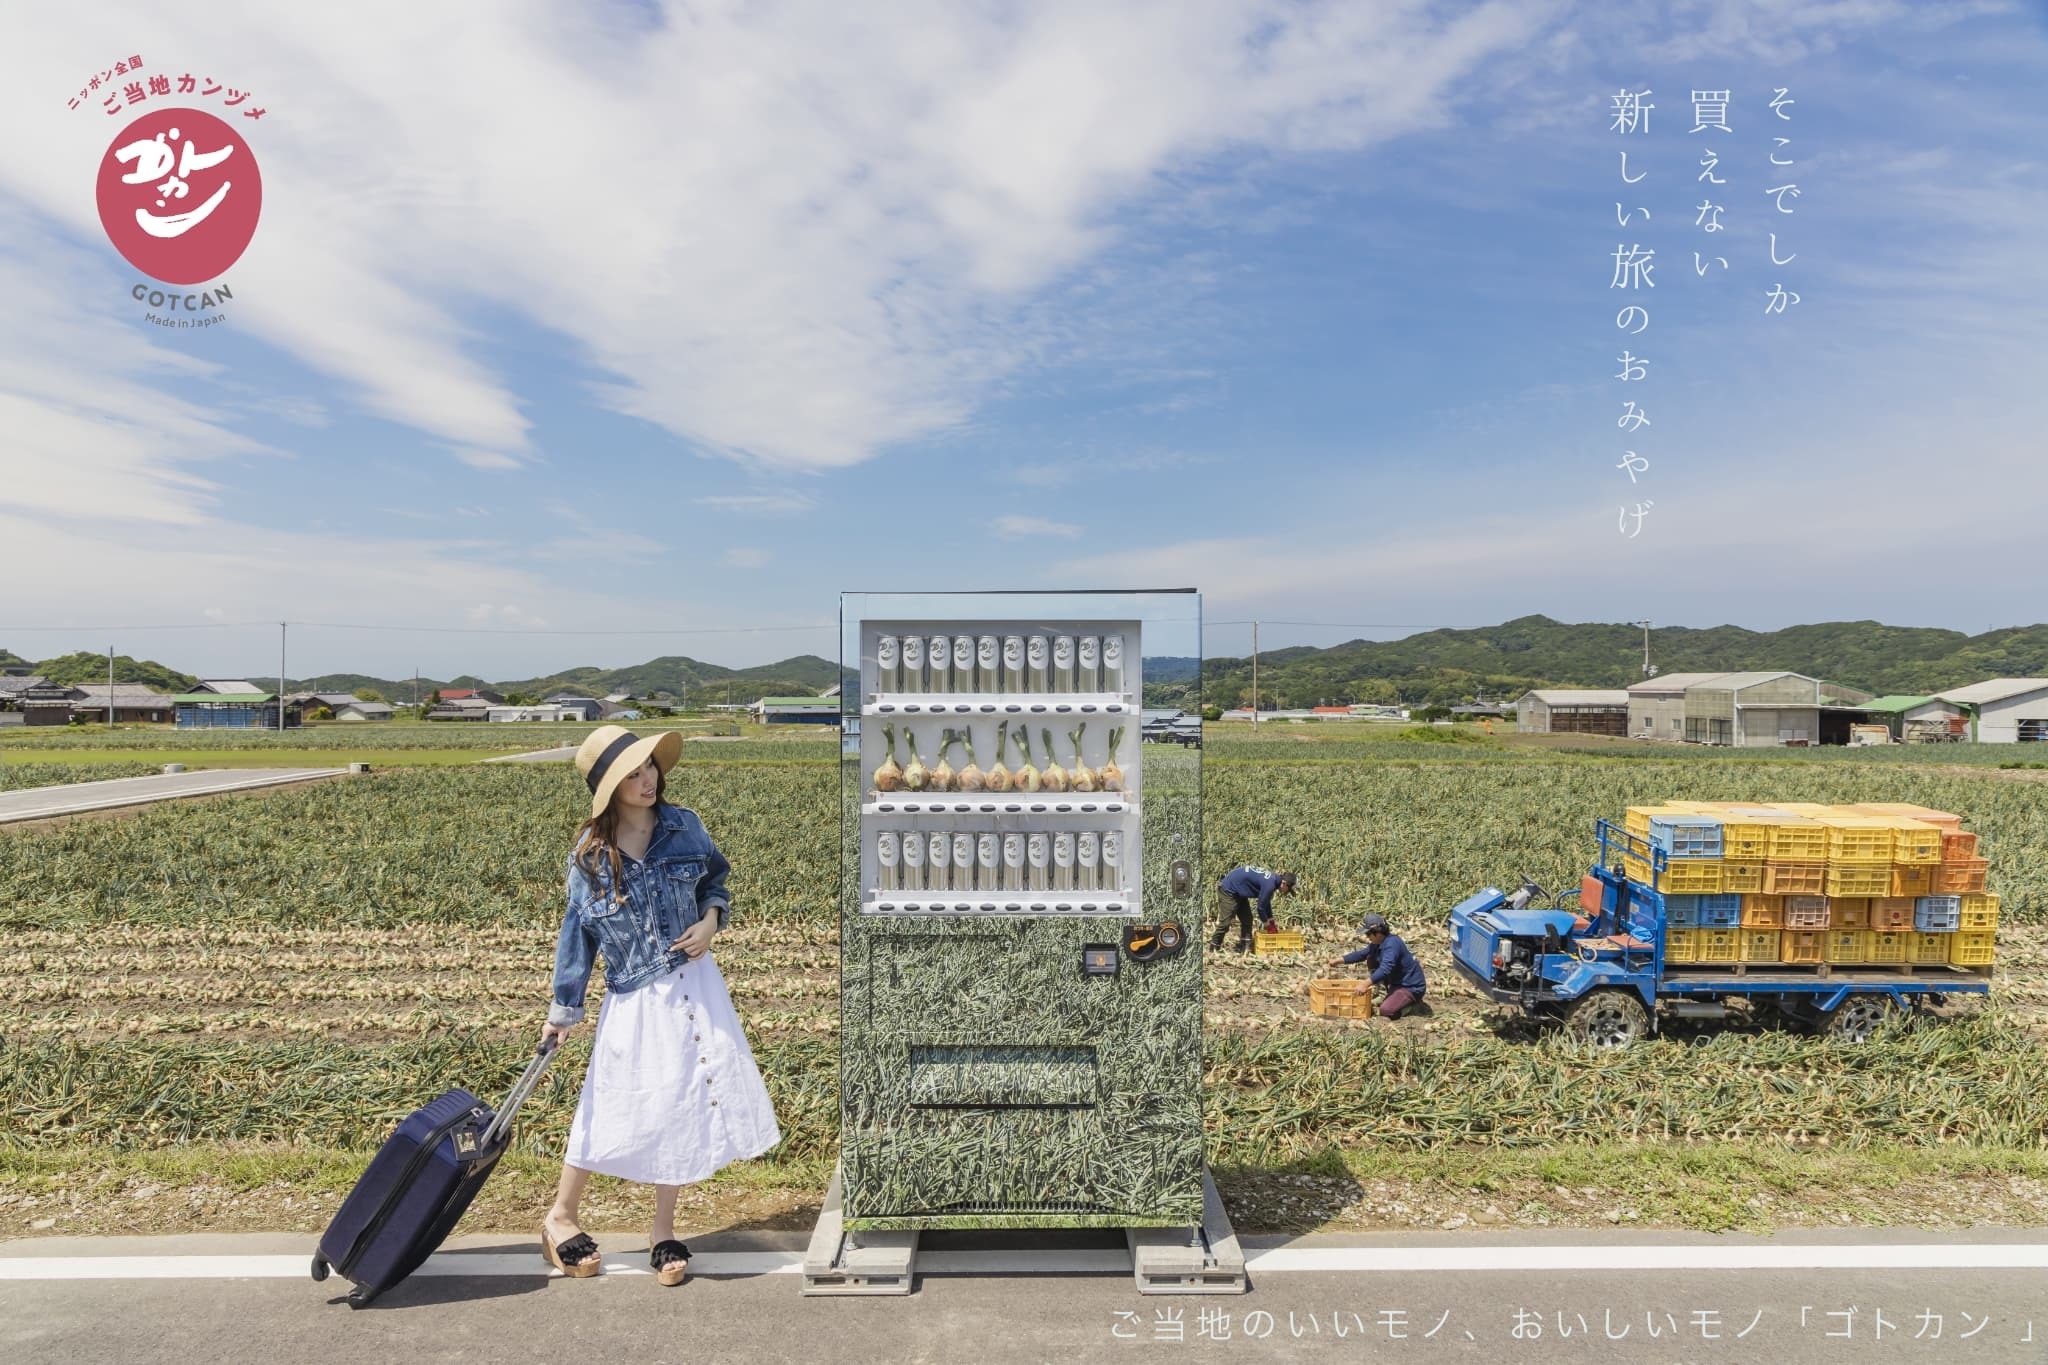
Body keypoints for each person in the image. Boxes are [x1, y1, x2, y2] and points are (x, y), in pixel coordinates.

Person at [538, 726, 781, 1286]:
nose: (646, 779)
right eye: (631, 773)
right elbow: (577, 936)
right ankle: (560, 1216)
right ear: (608, 787)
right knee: (607, 1103)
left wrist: (710, 924)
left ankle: (663, 1229)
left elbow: (716, 878)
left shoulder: (684, 826)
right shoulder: (590, 856)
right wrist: (564, 1011)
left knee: (683, 1101)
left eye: (648, 766)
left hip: (696, 983)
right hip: (635, 997)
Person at [1326, 913, 1428, 1019]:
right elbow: (1361, 954)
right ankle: (1384, 994)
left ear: (1378, 932)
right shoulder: (1378, 943)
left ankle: (1414, 1007)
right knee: (1371, 958)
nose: (1367, 937)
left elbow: (1385, 969)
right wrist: (1338, 961)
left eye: (1368, 934)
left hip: (1410, 987)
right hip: (1396, 983)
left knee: (1386, 1011)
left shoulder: (1392, 944)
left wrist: (1365, 984)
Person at [1210, 864, 1298, 952]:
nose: (1287, 892)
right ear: (1284, 883)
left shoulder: (1273, 880)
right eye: (1289, 890)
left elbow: (1265, 902)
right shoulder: (1270, 884)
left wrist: (1270, 919)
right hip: (1228, 890)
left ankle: (1245, 947)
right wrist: (1266, 923)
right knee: (1225, 923)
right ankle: (1214, 947)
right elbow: (1260, 908)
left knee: (1247, 919)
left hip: (1239, 890)